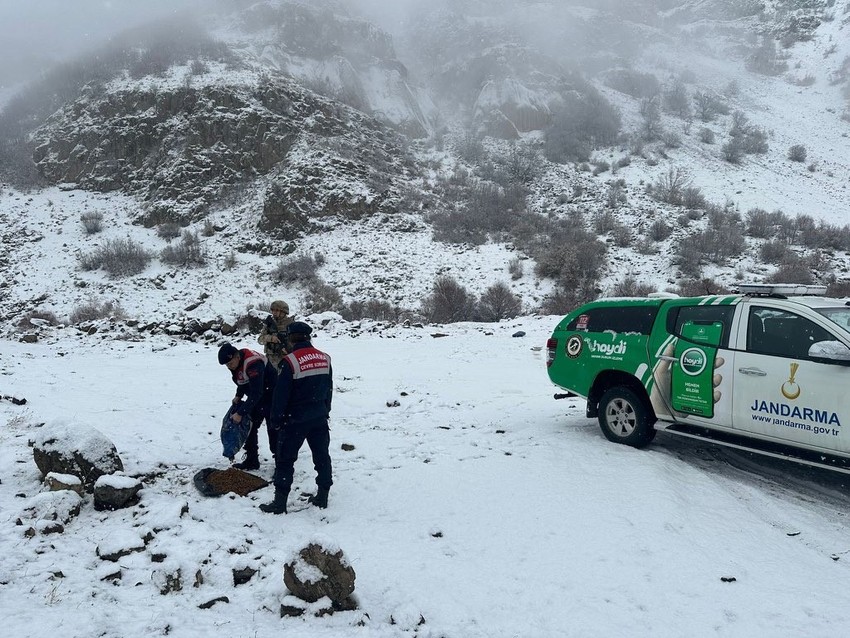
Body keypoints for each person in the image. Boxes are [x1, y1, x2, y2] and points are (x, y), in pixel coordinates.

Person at [260, 321, 333, 514]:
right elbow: (329, 389)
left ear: (291, 338)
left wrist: (276, 421)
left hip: (294, 420)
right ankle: (323, 496)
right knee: (322, 457)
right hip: (319, 417)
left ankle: (279, 503)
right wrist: (325, 410)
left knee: (285, 461)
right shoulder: (325, 358)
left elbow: (280, 395)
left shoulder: (290, 362)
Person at [217, 342, 276, 471]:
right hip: (257, 397)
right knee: (249, 427)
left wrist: (241, 413)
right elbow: (242, 380)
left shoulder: (253, 364)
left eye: (230, 364)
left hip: (272, 396)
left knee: (274, 430)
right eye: (227, 365)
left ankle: (281, 465)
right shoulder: (238, 363)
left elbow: (257, 392)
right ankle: (251, 460)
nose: (229, 367)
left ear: (237, 357)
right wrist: (238, 395)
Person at [258, 300, 293, 369]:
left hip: (286, 357)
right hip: (271, 358)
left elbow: (297, 341)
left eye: (277, 310)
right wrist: (270, 338)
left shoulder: (291, 324)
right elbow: (260, 339)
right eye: (273, 310)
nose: (274, 313)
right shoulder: (269, 323)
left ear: (283, 312)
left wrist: (288, 348)